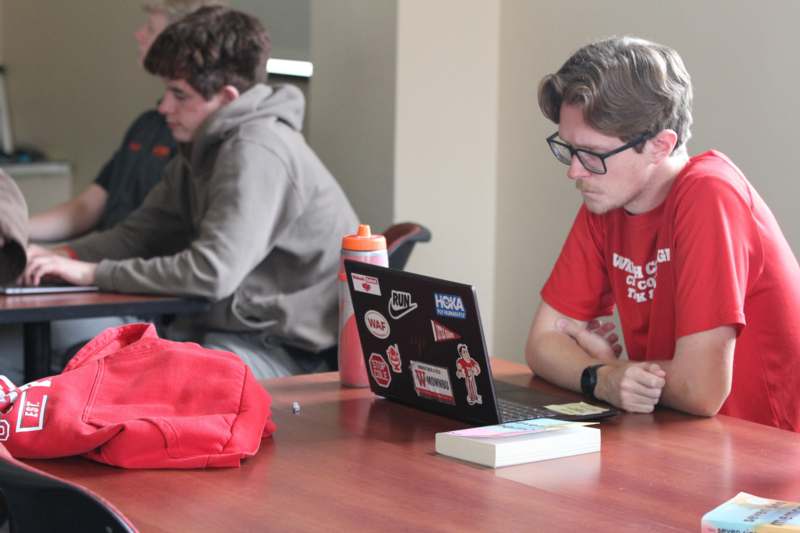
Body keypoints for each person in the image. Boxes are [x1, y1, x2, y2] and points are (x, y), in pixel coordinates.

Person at [24, 6, 359, 379]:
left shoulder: (257, 149)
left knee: (123, 386)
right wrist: (56, 257)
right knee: (59, 355)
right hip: (216, 330)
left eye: (178, 95)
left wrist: (91, 273)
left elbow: (210, 272)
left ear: (227, 98)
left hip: (283, 352)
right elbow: (140, 234)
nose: (164, 107)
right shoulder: (203, 146)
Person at [524, 36, 800, 431]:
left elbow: (700, 390)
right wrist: (602, 377)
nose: (575, 170)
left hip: (761, 458)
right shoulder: (607, 197)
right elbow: (542, 344)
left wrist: (609, 370)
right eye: (569, 149)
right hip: (676, 437)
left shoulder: (710, 194)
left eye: (593, 154)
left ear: (659, 145)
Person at [27, 0, 224, 243]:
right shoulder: (147, 124)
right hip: (109, 259)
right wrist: (15, 229)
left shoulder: (199, 138)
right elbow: (88, 207)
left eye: (150, 28)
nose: (138, 34)